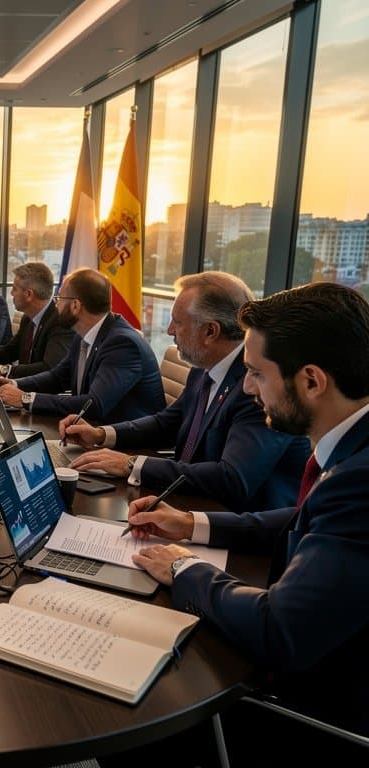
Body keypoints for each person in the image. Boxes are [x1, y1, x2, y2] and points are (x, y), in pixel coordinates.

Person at [126, 281, 369, 740]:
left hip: (308, 711)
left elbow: (280, 630)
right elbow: (304, 518)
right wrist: (191, 523)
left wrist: (185, 569)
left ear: (312, 381)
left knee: (136, 703)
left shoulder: (360, 481)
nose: (249, 388)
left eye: (256, 373)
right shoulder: (354, 449)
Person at [60, 271, 309, 511]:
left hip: (236, 529)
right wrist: (102, 435)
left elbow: (232, 478)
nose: (169, 331)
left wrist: (132, 464)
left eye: (177, 322)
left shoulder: (257, 387)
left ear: (210, 331)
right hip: (184, 504)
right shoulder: (204, 368)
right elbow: (167, 423)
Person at [0, 267, 164, 422]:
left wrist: (26, 399)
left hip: (126, 446)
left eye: (59, 298)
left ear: (75, 306)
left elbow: (94, 405)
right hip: (88, 432)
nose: (56, 305)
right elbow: (57, 378)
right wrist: (14, 383)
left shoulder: (123, 344)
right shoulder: (84, 334)